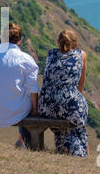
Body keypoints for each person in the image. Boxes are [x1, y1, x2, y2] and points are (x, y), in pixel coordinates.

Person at [0, 22, 39, 149]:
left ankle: (22, 142)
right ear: (20, 40)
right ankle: (28, 144)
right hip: (16, 112)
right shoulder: (25, 59)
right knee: (28, 99)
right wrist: (34, 110)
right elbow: (33, 89)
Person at [37, 29, 88, 157]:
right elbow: (80, 85)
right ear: (75, 45)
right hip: (69, 101)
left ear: (57, 42)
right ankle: (75, 149)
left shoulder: (50, 53)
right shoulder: (81, 55)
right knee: (77, 114)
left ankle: (62, 146)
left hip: (46, 106)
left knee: (62, 116)